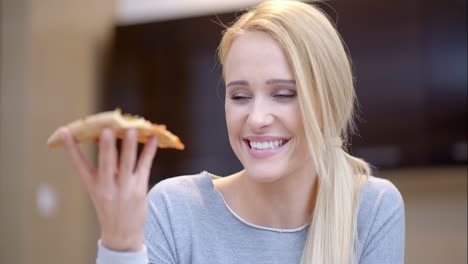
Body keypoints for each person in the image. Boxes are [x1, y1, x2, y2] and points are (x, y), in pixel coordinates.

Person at [59, 1, 405, 263]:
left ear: (329, 102)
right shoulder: (174, 209)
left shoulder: (372, 208)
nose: (256, 118)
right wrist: (121, 245)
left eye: (283, 94)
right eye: (240, 96)